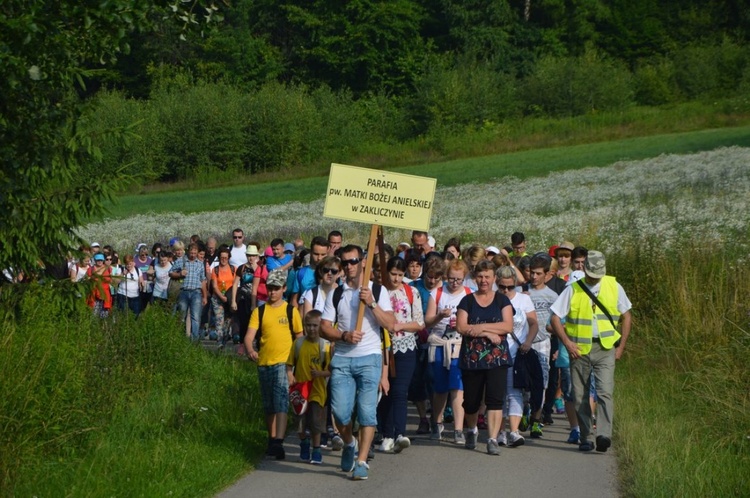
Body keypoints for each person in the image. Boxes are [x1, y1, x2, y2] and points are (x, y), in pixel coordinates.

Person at [320, 244, 395, 480]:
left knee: (366, 413)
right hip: (342, 359)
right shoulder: (337, 293)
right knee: (340, 414)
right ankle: (349, 442)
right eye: (345, 262)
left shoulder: (378, 290)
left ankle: (362, 461)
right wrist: (343, 335)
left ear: (363, 261)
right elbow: (323, 327)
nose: (349, 266)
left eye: (354, 261)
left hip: (370, 357)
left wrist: (371, 303)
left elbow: (391, 324)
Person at [550, 250, 632, 453]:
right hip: (579, 350)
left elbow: (627, 316)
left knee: (605, 392)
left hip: (605, 348)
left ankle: (604, 435)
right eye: (591, 274)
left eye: (598, 275)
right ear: (584, 270)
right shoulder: (573, 289)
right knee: (580, 395)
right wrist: (567, 343)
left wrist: (620, 347)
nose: (595, 278)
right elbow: (554, 317)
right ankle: (585, 436)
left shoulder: (614, 286)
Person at [244, 269, 304, 460]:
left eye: (276, 288)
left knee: (280, 402)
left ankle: (279, 441)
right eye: (270, 288)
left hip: (282, 363)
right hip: (264, 363)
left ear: (284, 289)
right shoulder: (259, 312)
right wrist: (251, 349)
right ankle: (272, 440)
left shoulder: (290, 311)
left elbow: (299, 337)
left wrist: (293, 364)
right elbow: (249, 336)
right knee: (269, 404)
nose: (272, 292)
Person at [455, 260, 513, 455]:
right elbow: (462, 327)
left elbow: (507, 326)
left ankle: (492, 438)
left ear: (494, 278)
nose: (484, 280)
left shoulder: (502, 301)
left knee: (495, 399)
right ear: (475, 278)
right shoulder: (467, 301)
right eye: (480, 276)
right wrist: (487, 333)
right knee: (471, 401)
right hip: (472, 359)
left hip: (497, 358)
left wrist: (480, 327)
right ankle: (471, 430)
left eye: (487, 276)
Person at [377, 256, 424, 454]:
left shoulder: (411, 292)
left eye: (400, 275)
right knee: (384, 391)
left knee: (399, 391)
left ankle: (399, 433)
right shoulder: (379, 292)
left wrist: (399, 326)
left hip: (405, 346)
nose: (396, 279)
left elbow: (419, 323)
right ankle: (386, 434)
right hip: (382, 348)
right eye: (393, 274)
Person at [425, 258, 472, 444]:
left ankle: (459, 429)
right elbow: (427, 322)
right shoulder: (436, 293)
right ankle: (437, 423)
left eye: (459, 279)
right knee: (440, 389)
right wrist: (439, 316)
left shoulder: (469, 294)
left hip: (460, 345)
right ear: (446, 277)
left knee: (458, 388)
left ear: (464, 278)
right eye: (451, 279)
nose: (454, 283)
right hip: (439, 344)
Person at [495, 265, 539, 445]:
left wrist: (528, 342)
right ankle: (500, 431)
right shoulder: (492, 299)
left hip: (517, 352)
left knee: (515, 392)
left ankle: (514, 431)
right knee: (498, 393)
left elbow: (533, 323)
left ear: (515, 284)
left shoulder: (523, 300)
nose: (506, 290)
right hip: (496, 352)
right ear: (496, 284)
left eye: (510, 287)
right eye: (502, 287)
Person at [287, 309, 332, 464]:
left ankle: (317, 449)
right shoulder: (298, 344)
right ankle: (304, 443)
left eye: (315, 325)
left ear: (320, 326)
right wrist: (290, 376)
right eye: (308, 325)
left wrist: (320, 374)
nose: (311, 329)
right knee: (300, 421)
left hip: (318, 390)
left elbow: (331, 371)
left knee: (316, 422)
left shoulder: (325, 346)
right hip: (300, 390)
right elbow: (289, 364)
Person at [170, 243, 208, 341]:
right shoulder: (180, 261)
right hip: (183, 292)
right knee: (181, 316)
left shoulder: (199, 264)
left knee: (195, 317)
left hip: (196, 292)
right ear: (188, 251)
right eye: (191, 252)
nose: (193, 254)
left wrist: (205, 296)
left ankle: (195, 340)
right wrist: (179, 274)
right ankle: (182, 339)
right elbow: (170, 273)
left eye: (195, 253)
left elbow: (203, 280)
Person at [231, 243, 261, 348]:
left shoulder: (260, 268)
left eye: (253, 255)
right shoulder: (242, 268)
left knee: (256, 321)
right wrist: (233, 301)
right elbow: (235, 284)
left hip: (256, 297)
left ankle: (257, 344)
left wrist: (255, 268)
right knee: (243, 321)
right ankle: (242, 345)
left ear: (257, 256)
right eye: (249, 255)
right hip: (243, 297)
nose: (251, 258)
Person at [290, 236, 330, 308]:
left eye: (323, 254)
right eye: (316, 254)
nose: (319, 258)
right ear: (311, 252)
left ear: (327, 253)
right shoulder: (301, 273)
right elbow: (294, 300)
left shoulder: (333, 273)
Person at [210, 247, 236, 344]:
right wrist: (221, 297)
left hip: (229, 299)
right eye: (222, 257)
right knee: (219, 321)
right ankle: (219, 343)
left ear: (229, 258)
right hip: (218, 298)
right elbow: (214, 286)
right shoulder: (215, 270)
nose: (224, 259)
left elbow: (236, 284)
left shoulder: (234, 269)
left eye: (226, 257)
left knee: (228, 322)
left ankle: (225, 340)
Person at [86, 252, 112, 318]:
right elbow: (87, 281)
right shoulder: (90, 269)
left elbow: (111, 280)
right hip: (94, 296)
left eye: (101, 260)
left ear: (103, 260)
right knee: (93, 316)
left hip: (105, 296)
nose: (99, 261)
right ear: (95, 260)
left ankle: (103, 328)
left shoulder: (108, 269)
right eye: (98, 260)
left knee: (104, 317)